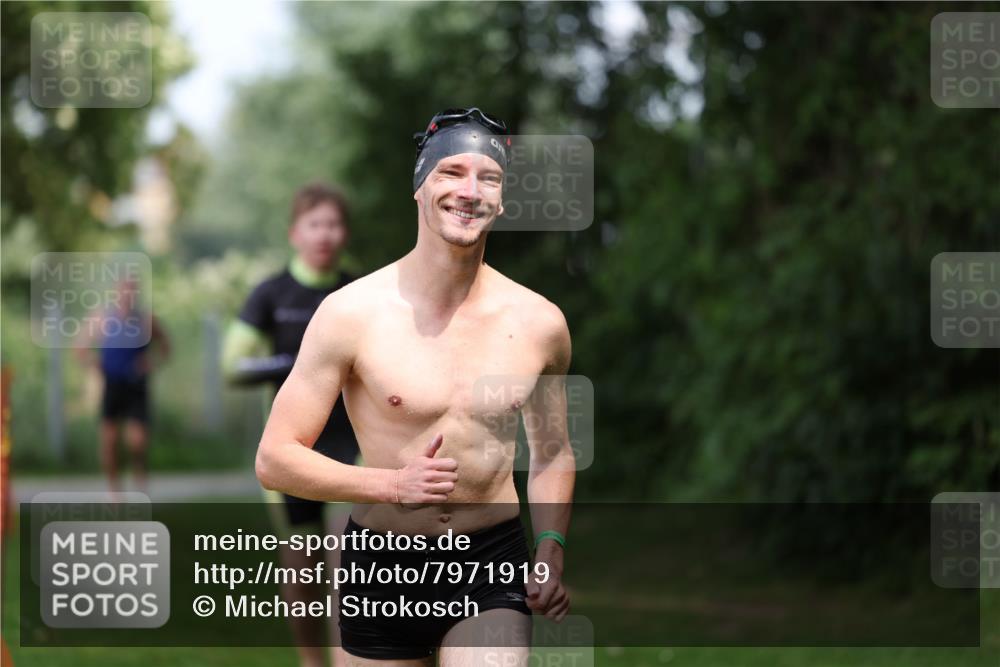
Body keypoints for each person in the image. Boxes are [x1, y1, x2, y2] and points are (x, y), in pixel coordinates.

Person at [256, 107, 575, 666]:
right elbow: (276, 459)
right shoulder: (350, 314)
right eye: (451, 172)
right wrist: (394, 486)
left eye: (489, 178)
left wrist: (550, 549)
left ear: (502, 199)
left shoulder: (540, 323)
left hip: (489, 561)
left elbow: (553, 452)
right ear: (420, 188)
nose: (470, 191)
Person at [223, 182, 360, 667]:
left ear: (344, 234)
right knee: (304, 566)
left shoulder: (357, 292)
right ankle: (311, 661)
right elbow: (232, 365)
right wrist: (294, 365)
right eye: (315, 224)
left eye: (334, 224)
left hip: (353, 446)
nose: (325, 234)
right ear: (294, 233)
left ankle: (349, 657)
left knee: (350, 561)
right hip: (293, 448)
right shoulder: (271, 293)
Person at [77, 276, 170, 494]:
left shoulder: (146, 320)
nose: (127, 297)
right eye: (123, 292)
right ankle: (114, 490)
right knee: (109, 441)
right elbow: (80, 348)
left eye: (131, 292)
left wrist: (150, 363)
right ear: (116, 294)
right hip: (112, 385)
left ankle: (139, 476)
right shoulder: (103, 318)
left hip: (136, 386)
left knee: (137, 441)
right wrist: (94, 364)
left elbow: (165, 347)